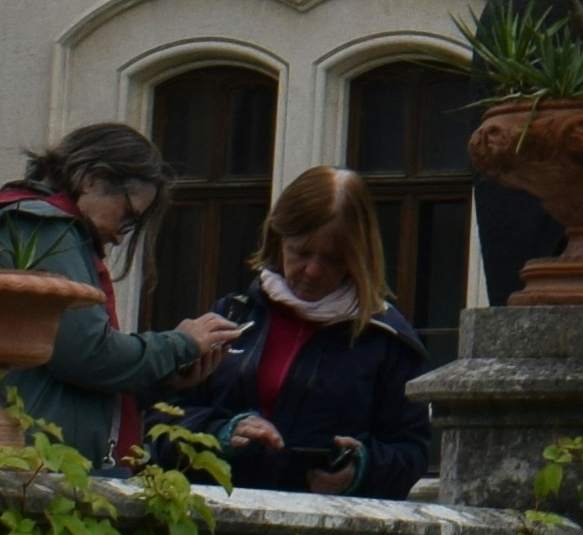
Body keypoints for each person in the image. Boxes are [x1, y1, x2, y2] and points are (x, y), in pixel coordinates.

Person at [0, 124, 243, 464]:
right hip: (31, 465)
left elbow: (65, 377)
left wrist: (166, 377)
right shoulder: (43, 227)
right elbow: (86, 353)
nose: (120, 237)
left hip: (26, 459)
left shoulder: (27, 224)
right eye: (126, 216)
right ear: (93, 179)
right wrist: (180, 345)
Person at [183, 166, 435, 496]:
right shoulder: (231, 317)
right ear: (278, 238)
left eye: (333, 259)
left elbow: (412, 453)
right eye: (301, 252)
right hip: (219, 512)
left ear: (359, 256)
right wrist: (222, 433)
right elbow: (164, 421)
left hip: (326, 522)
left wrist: (359, 469)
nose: (313, 271)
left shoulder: (388, 341)